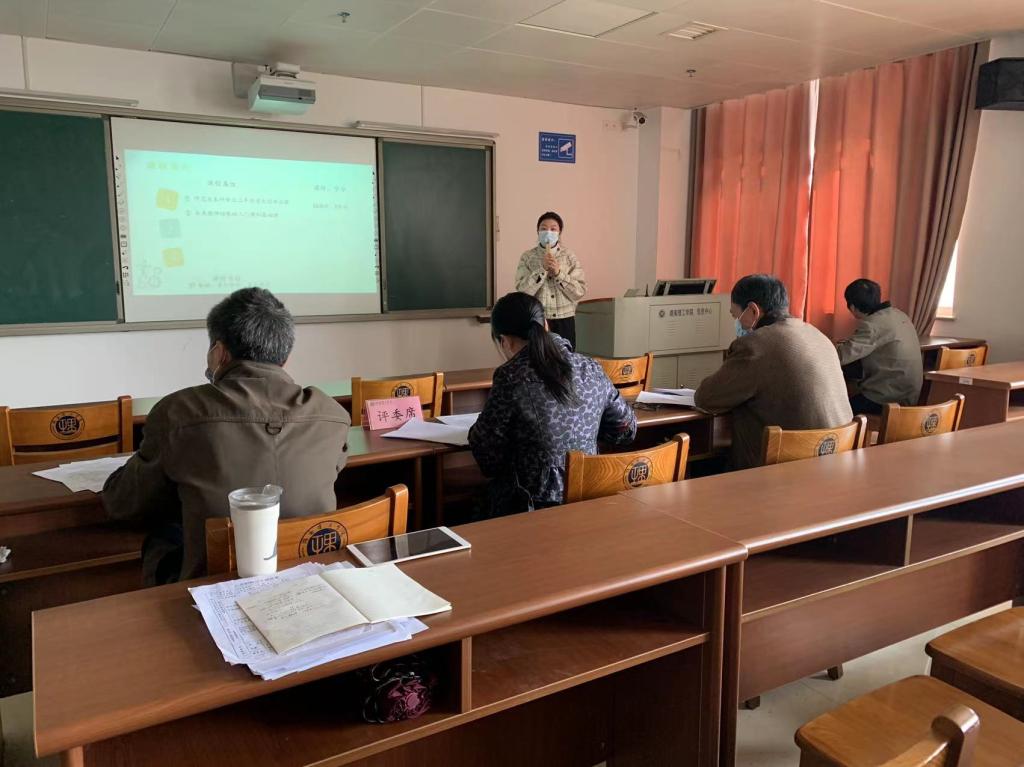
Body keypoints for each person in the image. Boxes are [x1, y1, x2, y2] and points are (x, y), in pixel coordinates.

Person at [103, 287, 351, 584]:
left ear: (219, 353)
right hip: (308, 576)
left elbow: (123, 504)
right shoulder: (333, 414)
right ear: (284, 357)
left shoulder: (178, 412)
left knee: (165, 531)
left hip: (213, 583)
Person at [468, 292, 636, 516]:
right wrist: (587, 431)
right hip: (588, 499)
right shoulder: (590, 367)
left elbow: (487, 458)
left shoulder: (511, 376)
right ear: (546, 324)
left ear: (505, 341)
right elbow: (626, 429)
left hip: (531, 507)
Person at [694, 274, 853, 471]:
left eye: (736, 316)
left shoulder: (755, 345)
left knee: (701, 466)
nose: (737, 323)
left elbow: (706, 398)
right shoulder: (818, 336)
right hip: (837, 463)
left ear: (753, 310)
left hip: (783, 471)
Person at [836, 279, 923, 415]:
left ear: (852, 307)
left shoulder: (872, 325)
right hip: (910, 395)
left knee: (838, 412)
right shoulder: (899, 314)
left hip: (887, 400)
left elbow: (840, 357)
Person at [514, 211, 586, 349]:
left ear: (559, 233)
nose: (548, 232)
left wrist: (559, 274)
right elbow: (522, 291)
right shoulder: (528, 257)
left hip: (565, 320)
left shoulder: (569, 256)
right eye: (543, 228)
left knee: (565, 358)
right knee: (538, 358)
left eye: (553, 229)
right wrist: (542, 270)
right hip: (537, 319)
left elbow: (579, 291)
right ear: (537, 231)